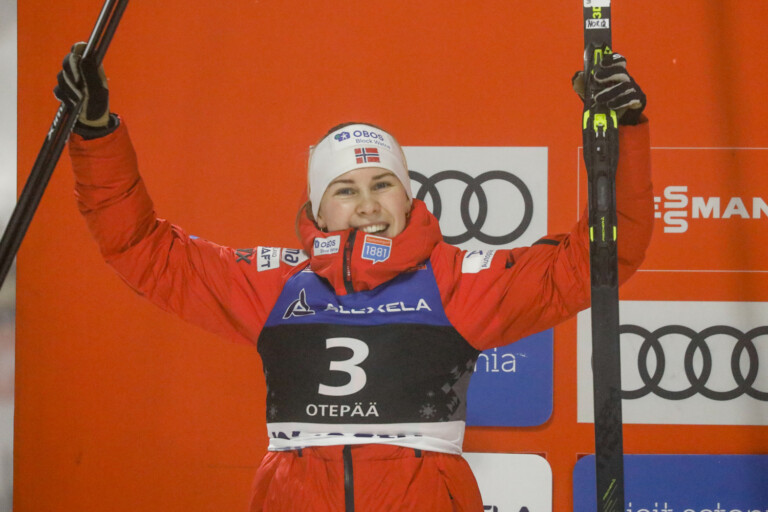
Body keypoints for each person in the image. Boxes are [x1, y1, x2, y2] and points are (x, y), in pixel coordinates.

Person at [54, 42, 653, 511]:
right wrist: (97, 130)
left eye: (382, 184)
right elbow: (142, 249)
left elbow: (599, 257)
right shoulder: (275, 285)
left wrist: (620, 130)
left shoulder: (456, 280)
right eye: (345, 190)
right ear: (317, 211)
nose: (367, 203)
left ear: (408, 196)